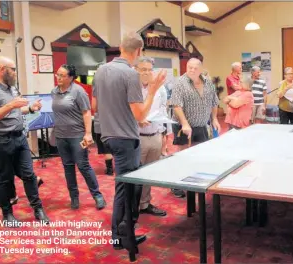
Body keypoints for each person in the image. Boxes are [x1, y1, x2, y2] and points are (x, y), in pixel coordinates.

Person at [93, 32, 166, 251]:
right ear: (138, 52)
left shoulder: (101, 70)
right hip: (126, 138)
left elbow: (95, 106)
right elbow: (140, 115)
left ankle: (125, 233)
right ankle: (120, 236)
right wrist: (152, 91)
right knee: (126, 189)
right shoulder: (130, 74)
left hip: (109, 136)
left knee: (125, 187)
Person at [0, 56, 49, 226]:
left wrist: (30, 108)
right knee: (5, 178)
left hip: (20, 138)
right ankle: (7, 215)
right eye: (13, 69)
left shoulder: (11, 88)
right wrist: (11, 105)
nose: (16, 72)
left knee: (29, 174)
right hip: (2, 140)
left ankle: (38, 208)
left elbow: (15, 112)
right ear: (3, 69)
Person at [51, 64, 106, 210]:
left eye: (62, 75)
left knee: (83, 166)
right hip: (61, 136)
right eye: (58, 74)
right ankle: (74, 198)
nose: (59, 77)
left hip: (77, 136)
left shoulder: (78, 91)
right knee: (68, 167)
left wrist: (88, 133)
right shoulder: (54, 91)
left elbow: (86, 112)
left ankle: (97, 196)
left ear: (71, 77)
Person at [170, 58, 220, 198]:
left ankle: (195, 181)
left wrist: (214, 118)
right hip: (183, 126)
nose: (191, 70)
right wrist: (185, 123)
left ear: (200, 69)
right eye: (189, 67)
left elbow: (214, 101)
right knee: (183, 156)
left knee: (199, 155)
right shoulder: (180, 82)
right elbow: (176, 105)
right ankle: (176, 185)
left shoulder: (208, 82)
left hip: (201, 125)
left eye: (195, 68)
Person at [135, 57, 167, 216]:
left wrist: (164, 134)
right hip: (138, 137)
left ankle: (144, 203)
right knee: (135, 174)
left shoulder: (160, 88)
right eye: (143, 69)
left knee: (149, 172)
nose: (147, 73)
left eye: (149, 69)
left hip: (156, 135)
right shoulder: (131, 88)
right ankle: (133, 206)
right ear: (136, 70)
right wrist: (138, 120)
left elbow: (163, 110)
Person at [92, 63, 114, 175]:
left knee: (106, 147)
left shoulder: (96, 83)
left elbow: (94, 107)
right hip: (116, 122)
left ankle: (109, 169)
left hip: (102, 121)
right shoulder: (116, 82)